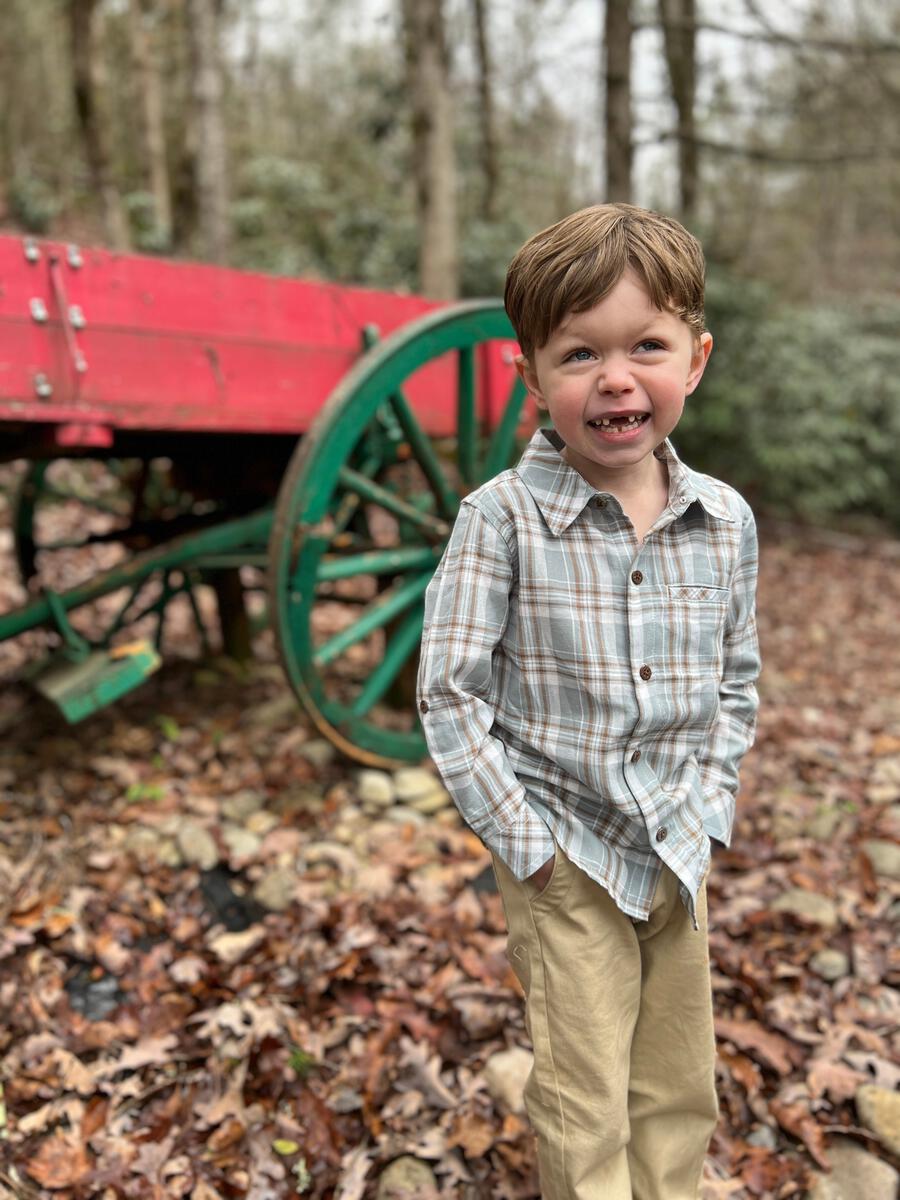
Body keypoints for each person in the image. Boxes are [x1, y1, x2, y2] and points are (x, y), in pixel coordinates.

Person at [415, 203, 761, 1200]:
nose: (615, 377)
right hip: (565, 854)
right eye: (578, 355)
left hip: (678, 848)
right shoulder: (503, 522)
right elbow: (448, 693)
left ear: (693, 361)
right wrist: (524, 844)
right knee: (584, 1090)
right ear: (532, 377)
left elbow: (736, 678)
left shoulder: (723, 522)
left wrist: (712, 803)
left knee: (677, 1079)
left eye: (645, 346)